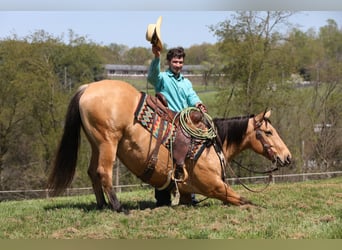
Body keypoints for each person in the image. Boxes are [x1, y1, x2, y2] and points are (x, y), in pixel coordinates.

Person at [147, 44, 207, 207]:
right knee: (164, 161)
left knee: (190, 158)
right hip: (166, 122)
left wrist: (199, 104)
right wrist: (156, 57)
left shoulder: (186, 82)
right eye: (175, 62)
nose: (178, 65)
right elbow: (152, 77)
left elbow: (191, 96)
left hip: (183, 124)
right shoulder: (162, 79)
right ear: (169, 62)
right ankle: (163, 199)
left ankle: (190, 196)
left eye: (180, 62)